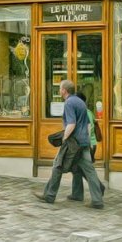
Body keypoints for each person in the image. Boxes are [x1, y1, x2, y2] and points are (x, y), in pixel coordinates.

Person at [35, 80, 104, 209]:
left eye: (60, 88)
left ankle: (49, 195)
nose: (59, 91)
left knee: (58, 165)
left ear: (64, 90)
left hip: (73, 142)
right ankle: (95, 199)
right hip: (83, 142)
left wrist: (64, 139)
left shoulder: (69, 103)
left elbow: (71, 124)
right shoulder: (80, 102)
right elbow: (87, 124)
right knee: (87, 170)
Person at [76, 91, 98, 162]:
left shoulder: (84, 113)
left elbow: (88, 127)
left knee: (87, 169)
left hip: (86, 145)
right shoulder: (89, 112)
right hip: (90, 144)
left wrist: (88, 144)